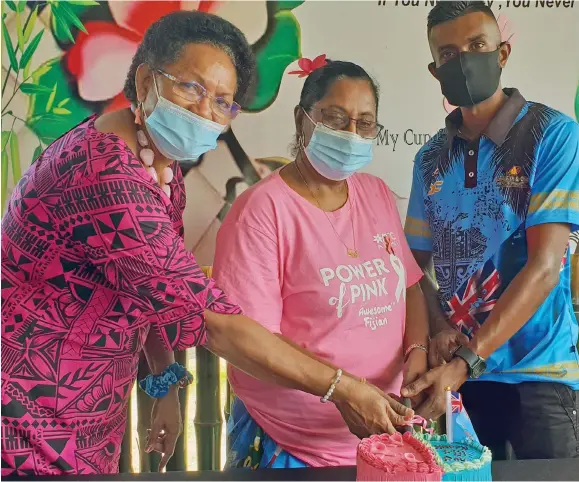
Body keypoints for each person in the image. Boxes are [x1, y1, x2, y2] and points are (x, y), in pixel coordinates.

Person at [0, 12, 413, 476]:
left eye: (222, 102)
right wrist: (344, 388)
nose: (205, 112)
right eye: (191, 88)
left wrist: (164, 380)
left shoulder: (157, 159)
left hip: (88, 409)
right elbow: (213, 322)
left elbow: (152, 290)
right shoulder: (108, 176)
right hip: (29, 417)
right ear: (145, 78)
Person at [213, 59, 430, 469]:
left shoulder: (376, 194)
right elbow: (247, 341)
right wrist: (340, 389)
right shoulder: (261, 212)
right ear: (302, 119)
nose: (351, 134)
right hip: (292, 449)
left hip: (385, 441)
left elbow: (410, 286)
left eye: (365, 123)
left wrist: (416, 353)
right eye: (335, 118)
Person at [401, 1, 579, 460]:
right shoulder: (430, 158)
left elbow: (544, 267)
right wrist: (438, 327)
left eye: (477, 46)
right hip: (462, 386)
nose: (464, 60)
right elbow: (411, 266)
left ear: (501, 54)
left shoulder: (552, 134)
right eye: (448, 54)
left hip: (539, 377)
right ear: (434, 69)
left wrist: (465, 362)